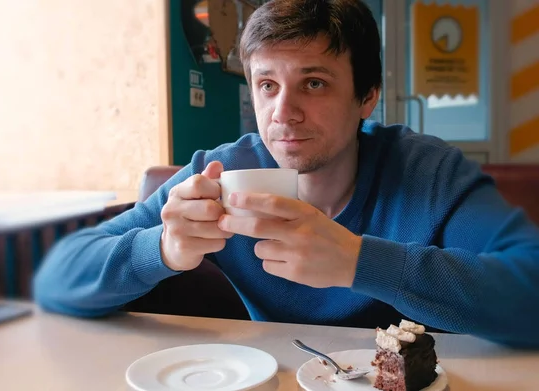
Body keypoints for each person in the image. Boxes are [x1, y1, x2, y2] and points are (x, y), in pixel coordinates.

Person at [33, 0, 539, 348]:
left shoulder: (429, 173)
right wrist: (163, 248)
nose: (283, 111)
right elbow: (57, 278)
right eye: (267, 84)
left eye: (313, 83)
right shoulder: (222, 172)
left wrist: (358, 261)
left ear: (367, 97)